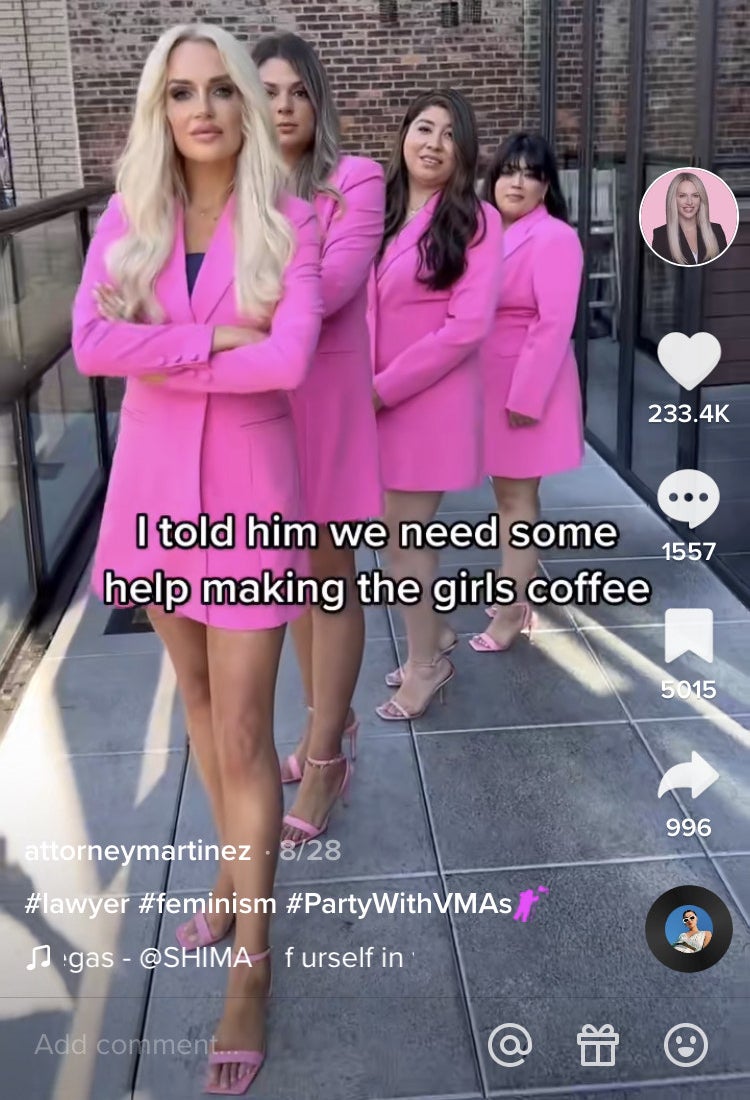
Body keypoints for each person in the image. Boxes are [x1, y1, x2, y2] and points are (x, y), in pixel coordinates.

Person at [71, 23, 322, 1095]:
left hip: (253, 508)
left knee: (237, 724)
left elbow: (292, 360)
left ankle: (252, 968)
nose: (205, 108)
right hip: (154, 502)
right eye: (182, 92)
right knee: (190, 692)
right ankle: (230, 861)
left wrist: (165, 351)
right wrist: (214, 340)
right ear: (159, 110)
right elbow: (89, 341)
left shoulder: (291, 220)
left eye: (223, 89)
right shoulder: (129, 222)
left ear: (249, 109)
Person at [251, 33, 384, 846]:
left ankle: (329, 756)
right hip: (265, 405)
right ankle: (321, 724)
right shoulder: (238, 189)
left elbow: (329, 289)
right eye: (267, 92)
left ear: (319, 99)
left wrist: (230, 311)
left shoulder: (355, 178)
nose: (284, 107)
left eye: (298, 91)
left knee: (331, 574)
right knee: (294, 578)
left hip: (327, 401)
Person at [370, 89, 504, 718]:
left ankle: (429, 664)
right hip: (373, 399)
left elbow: (465, 326)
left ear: (464, 151)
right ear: (403, 135)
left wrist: (381, 387)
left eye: (450, 135)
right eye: (424, 127)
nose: (433, 143)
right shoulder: (380, 208)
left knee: (406, 543)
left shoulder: (475, 219)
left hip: (428, 402)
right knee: (397, 539)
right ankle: (437, 633)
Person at [470, 132, 584, 653]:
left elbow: (554, 324)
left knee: (517, 501)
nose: (517, 182)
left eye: (531, 173)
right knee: (509, 497)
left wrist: (525, 398)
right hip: (490, 382)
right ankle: (516, 588)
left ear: (546, 187)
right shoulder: (486, 229)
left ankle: (515, 611)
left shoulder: (555, 237)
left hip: (526, 386)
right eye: (509, 170)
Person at [650, 172, 728, 265]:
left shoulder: (716, 230)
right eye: (682, 196)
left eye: (695, 196)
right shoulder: (661, 235)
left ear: (701, 199)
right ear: (673, 199)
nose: (689, 202)